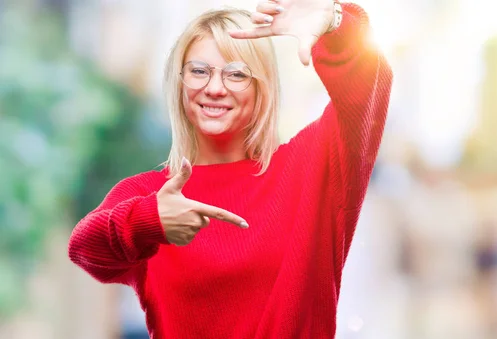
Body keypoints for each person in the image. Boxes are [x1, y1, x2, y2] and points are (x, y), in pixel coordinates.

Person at [68, 0, 393, 337]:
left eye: (236, 73)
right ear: (179, 84)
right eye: (199, 71)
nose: (215, 87)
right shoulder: (151, 196)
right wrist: (147, 220)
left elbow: (370, 86)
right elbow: (83, 249)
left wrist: (336, 23)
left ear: (261, 86)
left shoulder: (311, 169)